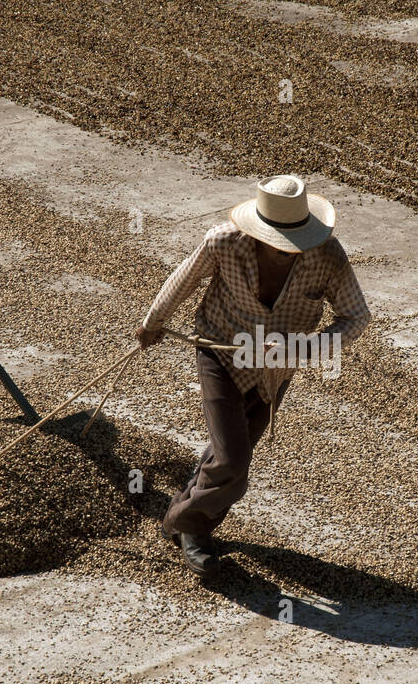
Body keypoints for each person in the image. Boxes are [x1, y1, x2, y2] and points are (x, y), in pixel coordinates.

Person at [136, 175, 370, 576]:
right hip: (220, 351)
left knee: (231, 449)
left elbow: (355, 317)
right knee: (233, 457)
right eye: (277, 243)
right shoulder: (223, 242)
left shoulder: (328, 256)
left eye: (293, 244)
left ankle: (188, 519)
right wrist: (153, 322)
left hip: (274, 370)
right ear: (257, 232)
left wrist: (304, 349)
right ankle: (187, 527)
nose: (286, 252)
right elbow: (184, 279)